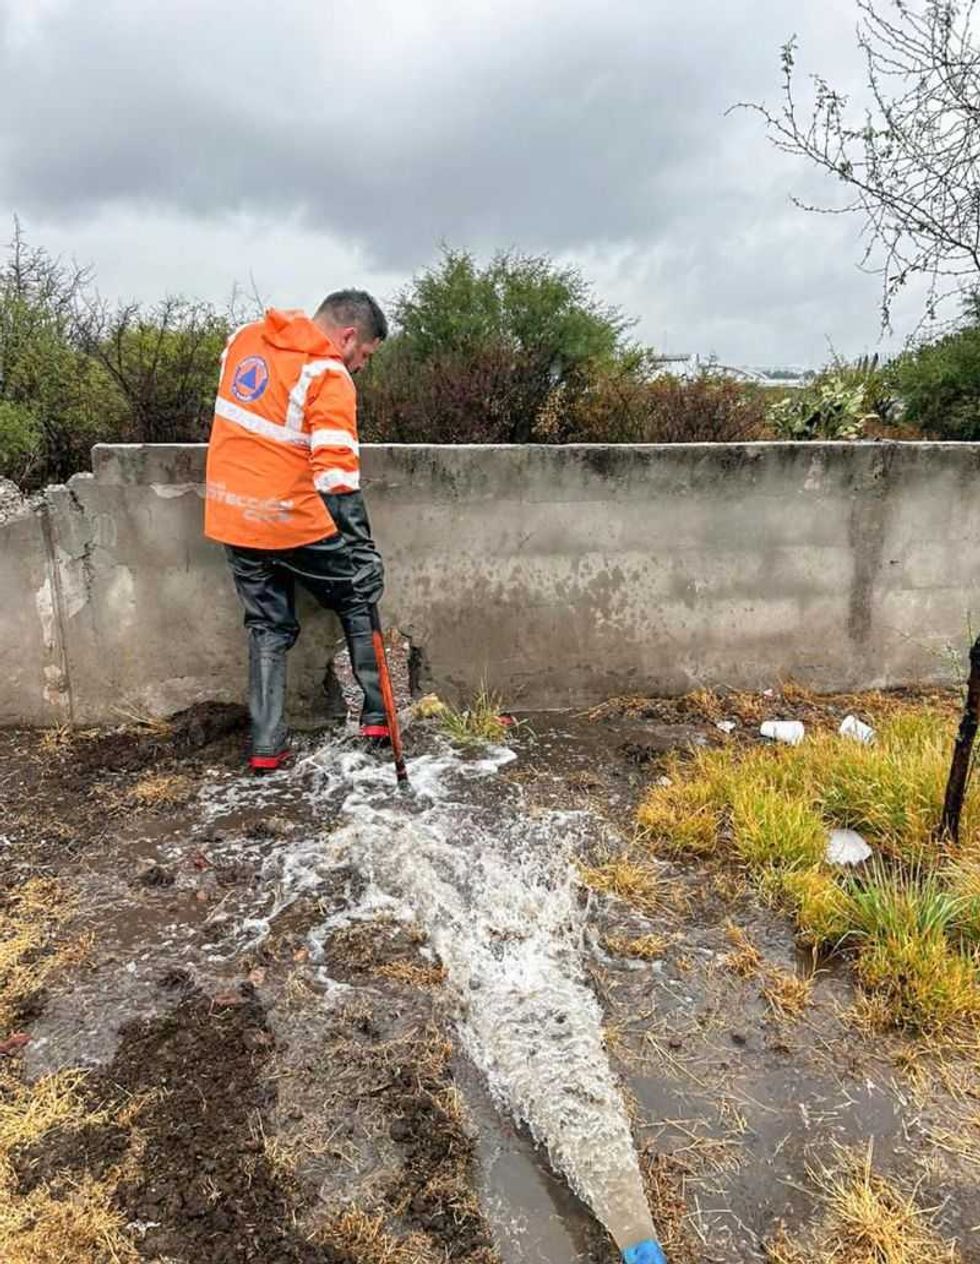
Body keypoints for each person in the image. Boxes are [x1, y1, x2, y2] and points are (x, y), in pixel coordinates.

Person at [203, 290, 388, 771]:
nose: (361, 366)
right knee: (357, 595)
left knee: (267, 625)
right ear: (348, 336)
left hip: (233, 515)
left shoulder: (243, 340)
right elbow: (336, 477)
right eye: (365, 354)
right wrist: (362, 553)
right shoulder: (328, 375)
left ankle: (267, 747)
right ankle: (378, 718)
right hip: (292, 520)